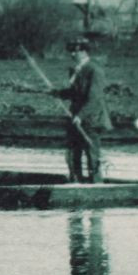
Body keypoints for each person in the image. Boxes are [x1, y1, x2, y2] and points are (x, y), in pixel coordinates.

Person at [52, 39, 111, 183]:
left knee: (92, 155)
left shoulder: (94, 70)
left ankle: (96, 184)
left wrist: (80, 115)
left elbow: (94, 98)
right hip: (75, 118)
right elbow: (75, 93)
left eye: (75, 51)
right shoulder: (76, 70)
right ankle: (76, 182)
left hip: (92, 119)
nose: (72, 54)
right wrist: (59, 93)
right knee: (73, 154)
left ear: (84, 52)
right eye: (71, 51)